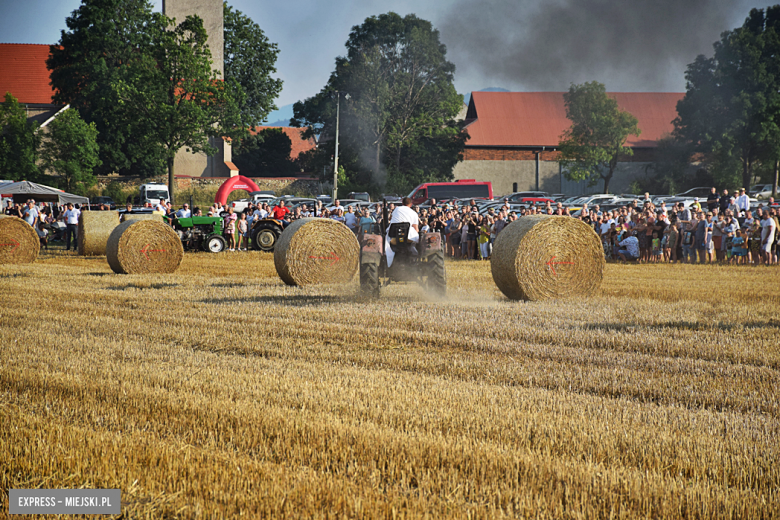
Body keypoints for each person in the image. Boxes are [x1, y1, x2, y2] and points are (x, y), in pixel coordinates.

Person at [385, 197, 419, 267]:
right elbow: (416, 229)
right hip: (408, 238)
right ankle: (415, 256)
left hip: (393, 236)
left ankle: (389, 260)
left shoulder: (396, 209)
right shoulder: (414, 213)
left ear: (402, 203)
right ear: (411, 204)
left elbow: (390, 219)